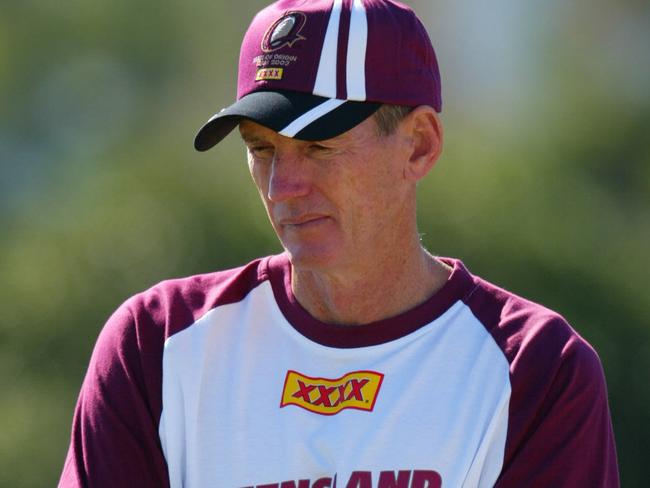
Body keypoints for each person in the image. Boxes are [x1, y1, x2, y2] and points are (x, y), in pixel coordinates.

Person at [59, 0, 619, 487]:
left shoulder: (538, 370)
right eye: (261, 149)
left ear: (419, 145)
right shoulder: (155, 345)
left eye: (319, 146)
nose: (282, 187)